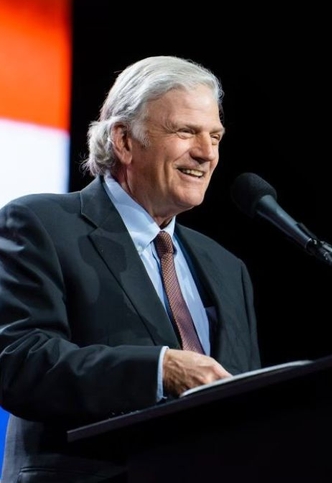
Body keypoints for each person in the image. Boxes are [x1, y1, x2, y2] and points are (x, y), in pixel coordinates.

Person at [0, 56, 261, 482]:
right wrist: (159, 371)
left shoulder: (227, 268)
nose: (206, 153)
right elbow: (19, 361)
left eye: (215, 136)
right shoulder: (40, 224)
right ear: (123, 140)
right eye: (185, 131)